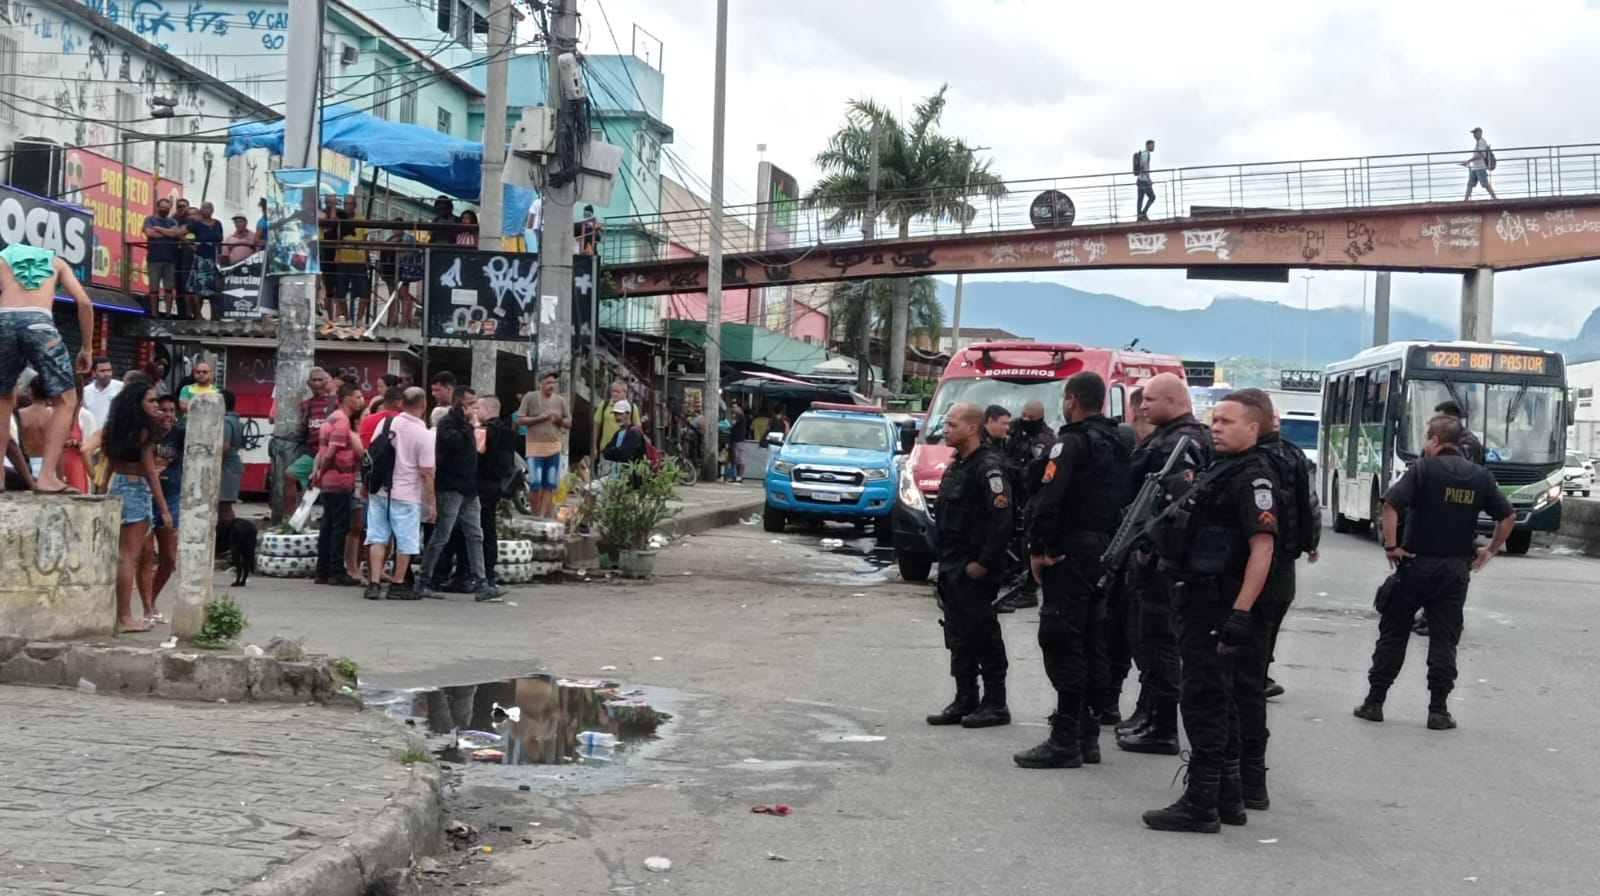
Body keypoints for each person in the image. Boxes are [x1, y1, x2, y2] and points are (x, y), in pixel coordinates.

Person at [1142, 390, 1278, 834]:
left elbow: (1263, 548)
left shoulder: (1253, 477)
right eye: (1214, 419)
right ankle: (1228, 797)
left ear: (1253, 429)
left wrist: (1240, 612)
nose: (1215, 427)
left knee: (1203, 700)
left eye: (1227, 421)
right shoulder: (1222, 468)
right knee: (1220, 699)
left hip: (1218, 604)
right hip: (1200, 598)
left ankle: (1201, 803)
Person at [1355, 414, 1514, 731]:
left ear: (1434, 440)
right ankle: (1438, 711)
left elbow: (1390, 505)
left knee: (1394, 633)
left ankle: (1375, 703)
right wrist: (1491, 550)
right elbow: (1507, 515)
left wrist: (1391, 546)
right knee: (1445, 640)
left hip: (1415, 564)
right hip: (1455, 570)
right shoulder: (1480, 476)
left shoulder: (1422, 470)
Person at [1014, 373, 1130, 769]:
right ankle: (1087, 733)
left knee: (1062, 639)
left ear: (1071, 400)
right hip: (1103, 551)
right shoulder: (1117, 442)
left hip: (1069, 552)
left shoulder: (1071, 442)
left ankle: (1065, 738)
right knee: (1092, 640)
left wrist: (1038, 550)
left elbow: (1049, 498)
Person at [1117, 373, 1214, 755]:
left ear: (1174, 401)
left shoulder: (1180, 442)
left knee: (1157, 640)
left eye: (1151, 400)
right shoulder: (1170, 437)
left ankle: (1163, 726)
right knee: (1145, 637)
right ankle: (1150, 713)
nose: (1143, 406)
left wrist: (1152, 545)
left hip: (1161, 559)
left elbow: (1179, 506)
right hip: (1151, 553)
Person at [924, 401, 1014, 730]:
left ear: (972, 429)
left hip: (975, 567)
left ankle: (995, 703)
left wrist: (984, 562)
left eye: (952, 424)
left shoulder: (988, 468)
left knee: (983, 634)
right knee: (958, 634)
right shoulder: (958, 464)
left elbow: (1001, 520)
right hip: (952, 564)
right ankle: (965, 698)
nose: (945, 430)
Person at [0, 242, 95, 494]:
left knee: (3, 397)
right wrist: (86, 349)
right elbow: (84, 303)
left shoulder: (3, 260)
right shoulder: (57, 263)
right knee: (66, 401)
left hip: (4, 319)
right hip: (39, 324)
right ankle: (47, 477)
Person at [1250, 393, 1322, 702]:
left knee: (1254, 618)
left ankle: (1254, 676)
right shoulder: (1294, 454)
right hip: (1287, 555)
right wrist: (1311, 542)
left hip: (1261, 553)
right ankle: (1261, 672)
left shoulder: (1253, 459)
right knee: (1270, 619)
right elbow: (1310, 504)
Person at [415, 387, 501, 601]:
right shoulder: (447, 424)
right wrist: (471, 427)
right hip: (451, 488)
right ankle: (423, 580)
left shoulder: (467, 426)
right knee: (442, 534)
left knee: (475, 534)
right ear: (461, 405)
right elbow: (458, 446)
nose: (475, 408)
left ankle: (481, 582)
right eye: (472, 404)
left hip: (469, 489)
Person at [101, 381, 172, 632]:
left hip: (118, 485)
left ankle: (121, 615)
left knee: (123, 556)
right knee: (128, 557)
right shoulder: (143, 431)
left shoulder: (115, 428)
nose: (156, 405)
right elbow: (151, 473)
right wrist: (163, 508)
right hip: (136, 489)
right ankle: (124, 617)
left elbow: (108, 465)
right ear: (138, 403)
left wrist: (100, 492)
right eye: (151, 401)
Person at [365, 387, 435, 601]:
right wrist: (432, 502)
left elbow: (372, 453)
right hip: (406, 494)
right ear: (423, 405)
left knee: (377, 536)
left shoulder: (386, 424)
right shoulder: (423, 434)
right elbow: (426, 473)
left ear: (402, 403)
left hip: (379, 490)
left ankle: (374, 582)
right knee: (406, 540)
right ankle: (397, 584)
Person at [995, 400, 1055, 613]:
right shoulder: (1013, 428)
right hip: (1010, 491)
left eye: (1031, 418)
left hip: (1031, 494)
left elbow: (1039, 470)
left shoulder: (1045, 439)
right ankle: (1011, 576)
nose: (1026, 420)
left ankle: (1028, 589)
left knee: (1027, 542)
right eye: (1024, 415)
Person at [145, 394, 184, 622]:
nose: (168, 415)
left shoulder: (180, 434)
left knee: (169, 557)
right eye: (163, 410)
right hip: (147, 496)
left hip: (171, 496)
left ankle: (151, 600)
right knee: (146, 555)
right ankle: (146, 607)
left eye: (172, 411)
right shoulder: (146, 435)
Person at [475, 396, 521, 587]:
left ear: (487, 409)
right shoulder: (509, 433)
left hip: (479, 485)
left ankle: (477, 572)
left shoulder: (485, 432)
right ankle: (489, 571)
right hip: (497, 486)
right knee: (490, 528)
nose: (476, 412)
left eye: (478, 408)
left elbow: (475, 455)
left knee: (475, 531)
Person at [517, 371, 571, 519]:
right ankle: (535, 514)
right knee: (535, 484)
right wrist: (539, 418)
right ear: (540, 383)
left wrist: (558, 419)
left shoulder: (560, 400)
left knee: (550, 484)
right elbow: (520, 419)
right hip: (534, 448)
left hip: (554, 447)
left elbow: (568, 423)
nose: (551, 386)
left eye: (554, 383)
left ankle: (542, 515)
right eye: (548, 383)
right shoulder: (530, 397)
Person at [285, 367, 336, 513]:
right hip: (312, 453)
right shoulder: (307, 405)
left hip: (331, 453)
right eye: (314, 380)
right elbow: (304, 428)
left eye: (321, 380)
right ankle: (290, 519)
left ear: (326, 382)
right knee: (290, 475)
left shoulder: (335, 401)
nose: (317, 383)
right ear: (309, 383)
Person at [142, 197, 183, 318]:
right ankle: (154, 313)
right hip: (154, 258)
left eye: (167, 208)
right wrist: (167, 232)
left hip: (170, 259)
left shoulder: (173, 222)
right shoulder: (149, 219)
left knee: (169, 288)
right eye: (163, 207)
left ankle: (169, 313)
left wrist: (158, 229)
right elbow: (149, 233)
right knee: (153, 288)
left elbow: (174, 233)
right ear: (157, 207)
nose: (165, 209)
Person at [592, 380, 637, 476]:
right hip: (606, 452)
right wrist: (594, 446)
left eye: (617, 392)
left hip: (624, 454)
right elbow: (596, 426)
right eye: (613, 391)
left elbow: (637, 429)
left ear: (625, 393)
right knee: (603, 480)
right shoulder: (604, 405)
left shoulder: (632, 408)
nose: (614, 394)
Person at [219, 389, 244, 526]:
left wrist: (216, 464)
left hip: (227, 468)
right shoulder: (235, 419)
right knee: (224, 505)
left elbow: (225, 446)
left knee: (224, 506)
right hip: (232, 466)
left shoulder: (225, 421)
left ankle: (228, 535)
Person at [601, 401, 648, 470]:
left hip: (632, 475)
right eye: (615, 414)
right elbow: (606, 453)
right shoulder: (619, 433)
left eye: (620, 414)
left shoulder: (634, 433)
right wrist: (616, 451)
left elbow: (625, 455)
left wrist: (614, 451)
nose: (617, 417)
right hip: (619, 474)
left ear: (628, 414)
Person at [82, 357, 123, 433]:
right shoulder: (85, 391)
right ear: (94, 373)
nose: (106, 374)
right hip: (92, 436)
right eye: (102, 371)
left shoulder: (121, 388)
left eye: (109, 370)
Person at [1464, 127, 1497, 200]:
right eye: (1474, 133)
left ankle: (1494, 197)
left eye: (1475, 133)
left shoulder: (1482, 141)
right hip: (1475, 166)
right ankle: (1465, 199)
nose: (1474, 135)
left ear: (1480, 133)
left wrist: (1469, 160)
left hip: (1480, 166)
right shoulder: (1478, 142)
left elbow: (1481, 154)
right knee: (1470, 184)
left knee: (1485, 184)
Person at [726, 400, 750, 482]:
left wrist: (729, 423)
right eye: (732, 407)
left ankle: (739, 477)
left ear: (739, 407)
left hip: (739, 440)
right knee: (737, 459)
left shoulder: (739, 414)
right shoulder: (738, 414)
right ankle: (737, 476)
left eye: (734, 407)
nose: (733, 409)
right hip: (736, 439)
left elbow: (733, 423)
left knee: (740, 459)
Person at [1136, 139, 1157, 221]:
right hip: (1144, 180)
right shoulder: (1145, 154)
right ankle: (1143, 214)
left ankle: (1139, 216)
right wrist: (1149, 179)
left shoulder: (1144, 153)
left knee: (1140, 199)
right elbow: (1145, 166)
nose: (1153, 147)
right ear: (1148, 145)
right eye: (1152, 145)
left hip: (1140, 180)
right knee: (1152, 197)